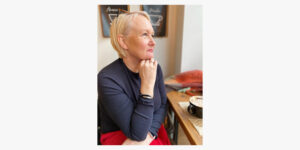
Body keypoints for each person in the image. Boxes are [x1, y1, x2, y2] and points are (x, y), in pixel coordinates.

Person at [97, 11, 171, 145]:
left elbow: (162, 105)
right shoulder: (107, 78)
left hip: (150, 126)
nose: (153, 42)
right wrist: (147, 87)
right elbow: (137, 133)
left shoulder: (155, 67)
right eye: (144, 34)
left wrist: (150, 133)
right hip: (119, 134)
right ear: (123, 42)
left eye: (152, 35)